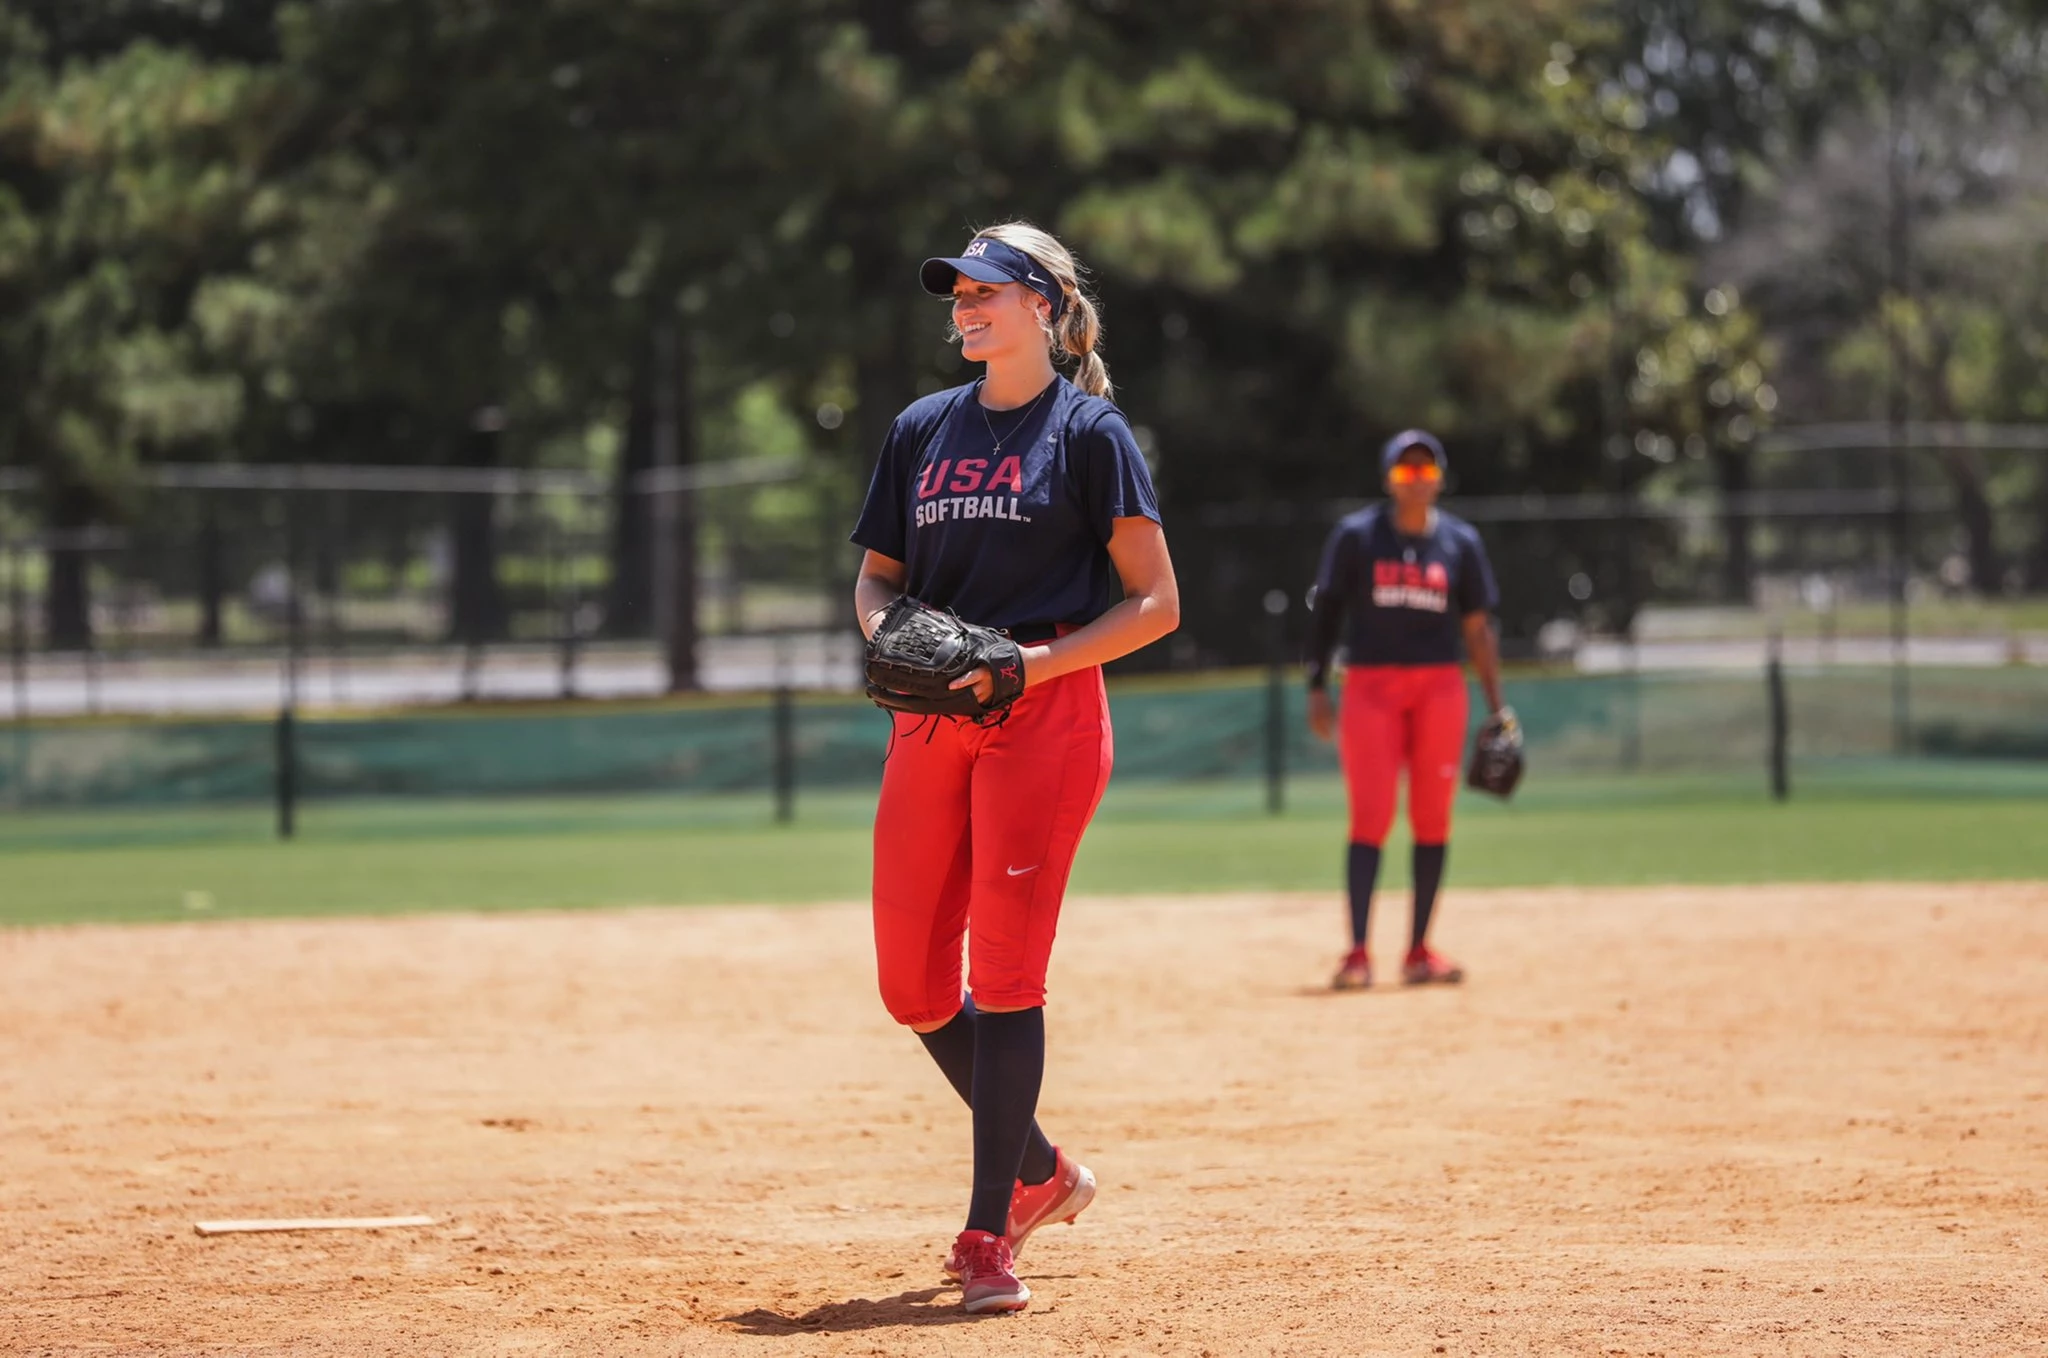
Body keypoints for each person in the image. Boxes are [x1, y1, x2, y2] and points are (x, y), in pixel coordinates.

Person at [849, 222, 1180, 1314]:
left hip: (1043, 713)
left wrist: (1027, 663)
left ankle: (990, 1229)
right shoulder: (918, 431)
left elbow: (1153, 603)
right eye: (956, 293)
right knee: (910, 982)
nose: (964, 306)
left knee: (1004, 975)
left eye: (986, 289)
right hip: (936, 716)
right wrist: (895, 638)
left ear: (1041, 304)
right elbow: (878, 580)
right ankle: (1041, 1167)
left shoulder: (1088, 434)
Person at [1305, 430, 1505, 991]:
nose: (1415, 481)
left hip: (1440, 689)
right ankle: (1358, 953)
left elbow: (1478, 629)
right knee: (1370, 816)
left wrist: (1497, 708)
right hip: (1370, 687)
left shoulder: (1461, 543)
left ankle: (1419, 950)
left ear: (1439, 478)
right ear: (1389, 478)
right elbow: (1326, 613)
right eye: (1404, 471)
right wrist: (1317, 685)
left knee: (1432, 817)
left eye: (1425, 471)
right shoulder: (1356, 537)